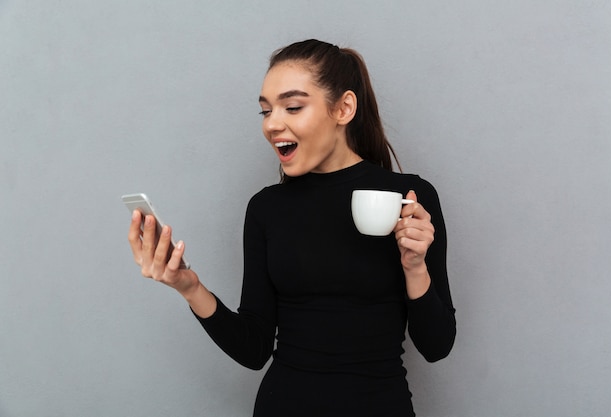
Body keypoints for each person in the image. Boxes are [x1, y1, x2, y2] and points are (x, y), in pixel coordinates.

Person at [127, 39, 456, 417]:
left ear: (344, 108)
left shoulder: (410, 200)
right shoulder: (267, 209)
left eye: (293, 107)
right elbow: (254, 349)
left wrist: (415, 266)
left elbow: (437, 345)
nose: (272, 124)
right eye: (266, 111)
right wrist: (188, 286)